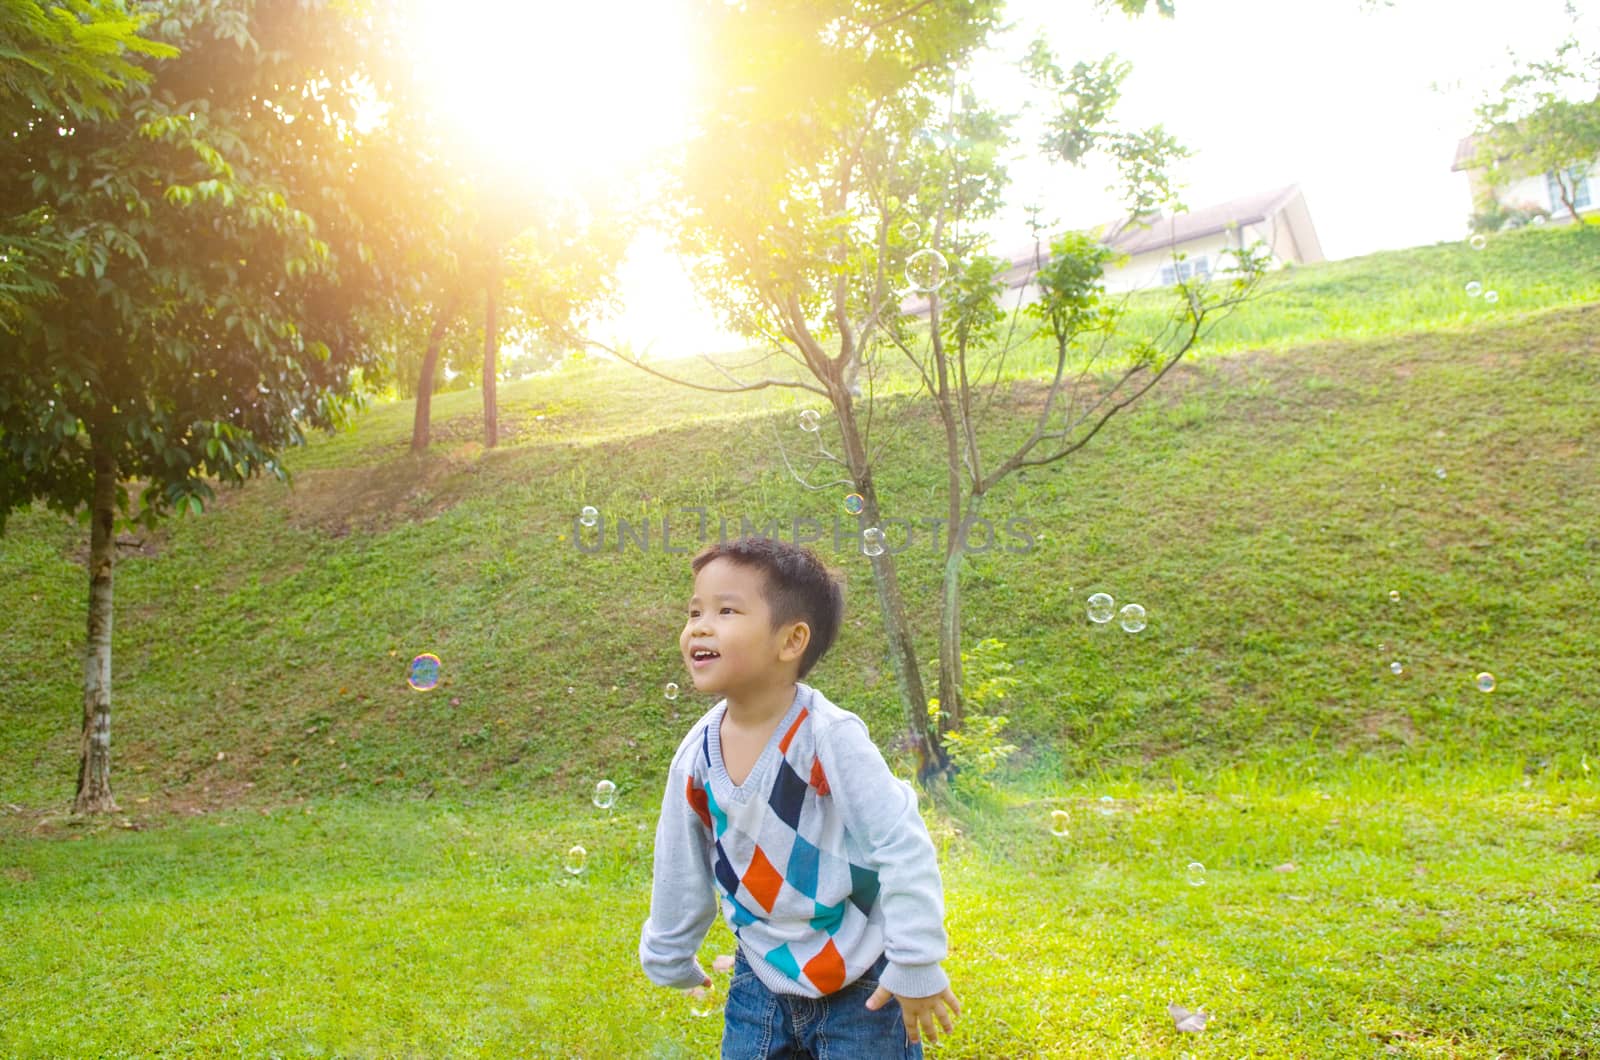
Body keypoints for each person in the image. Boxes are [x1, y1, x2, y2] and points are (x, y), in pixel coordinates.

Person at [639, 536, 961, 1058]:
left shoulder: (828, 737)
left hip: (862, 980)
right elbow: (680, 859)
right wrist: (670, 951)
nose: (699, 625)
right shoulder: (696, 754)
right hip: (759, 978)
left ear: (791, 641)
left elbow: (900, 841)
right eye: (694, 610)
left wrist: (916, 959)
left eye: (726, 610)